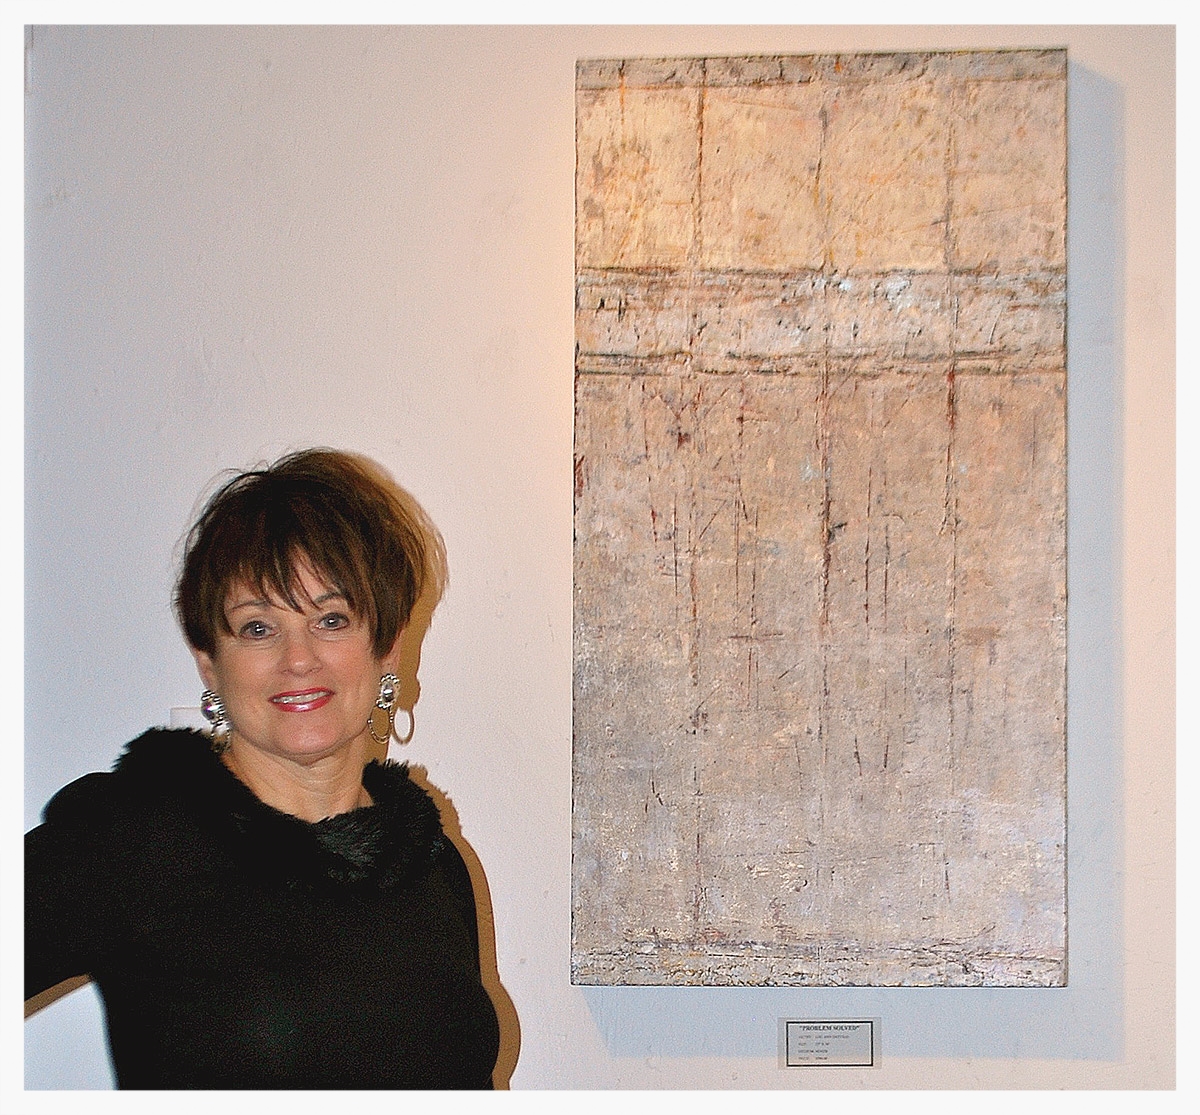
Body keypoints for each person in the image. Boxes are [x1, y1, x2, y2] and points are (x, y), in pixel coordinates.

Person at [25, 448, 500, 1089]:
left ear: (386, 647)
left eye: (331, 619)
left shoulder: (432, 865)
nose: (298, 658)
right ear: (209, 661)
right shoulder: (133, 842)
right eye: (257, 627)